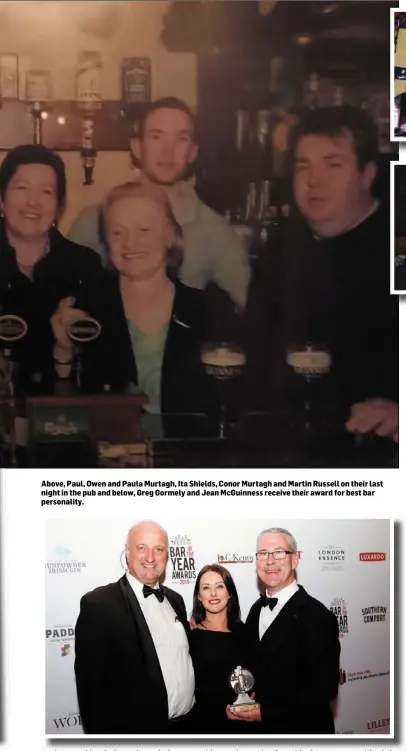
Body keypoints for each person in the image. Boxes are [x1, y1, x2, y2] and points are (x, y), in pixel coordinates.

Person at [244, 106, 398, 437]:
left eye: (332, 165)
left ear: (367, 174)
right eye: (303, 167)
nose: (314, 181)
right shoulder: (281, 250)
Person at [52, 181, 240, 412]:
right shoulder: (85, 310)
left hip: (188, 447)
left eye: (144, 230)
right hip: (110, 444)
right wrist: (63, 349)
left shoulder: (208, 310)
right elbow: (61, 410)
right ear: (106, 241)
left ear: (170, 236)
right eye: (118, 232)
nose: (130, 243)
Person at [67, 96, 250, 308]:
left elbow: (252, 308)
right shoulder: (94, 220)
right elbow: (62, 296)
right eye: (156, 137)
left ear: (193, 152)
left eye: (180, 139)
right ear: (137, 147)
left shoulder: (214, 231)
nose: (168, 152)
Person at [74, 520, 195, 734]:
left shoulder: (176, 600)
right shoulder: (99, 605)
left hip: (187, 728)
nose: (150, 558)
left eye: (158, 549)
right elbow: (91, 693)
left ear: (166, 555)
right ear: (127, 553)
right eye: (142, 548)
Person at [0, 144, 101, 391]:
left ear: (59, 206)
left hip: (63, 417)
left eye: (46, 192)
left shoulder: (85, 266)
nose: (32, 202)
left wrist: (65, 349)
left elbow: (104, 370)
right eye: (21, 188)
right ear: (1, 199)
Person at [226, 527, 340, 734]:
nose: (270, 561)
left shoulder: (318, 616)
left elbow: (324, 689)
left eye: (279, 552)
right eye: (263, 554)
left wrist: (266, 712)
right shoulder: (256, 608)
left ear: (295, 560)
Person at [189, 564, 249, 733]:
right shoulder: (189, 637)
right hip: (201, 727)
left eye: (220, 586)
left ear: (229, 592)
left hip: (242, 727)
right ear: (199, 596)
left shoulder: (246, 633)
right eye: (206, 588)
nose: (213, 593)